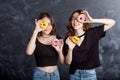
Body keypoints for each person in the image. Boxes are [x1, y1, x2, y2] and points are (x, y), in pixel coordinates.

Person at [63, 10, 115, 80]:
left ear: (84, 21)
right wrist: (70, 49)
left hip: (89, 74)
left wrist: (92, 20)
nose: (75, 21)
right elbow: (68, 62)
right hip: (74, 74)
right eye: (73, 18)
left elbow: (112, 22)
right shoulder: (68, 38)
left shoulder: (92, 33)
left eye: (79, 19)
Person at [26, 12, 64, 80]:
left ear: (52, 25)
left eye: (49, 24)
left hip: (55, 75)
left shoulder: (58, 39)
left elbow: (62, 61)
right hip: (39, 75)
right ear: (39, 24)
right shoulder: (35, 39)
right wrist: (36, 31)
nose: (47, 27)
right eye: (44, 24)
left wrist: (60, 51)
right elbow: (29, 52)